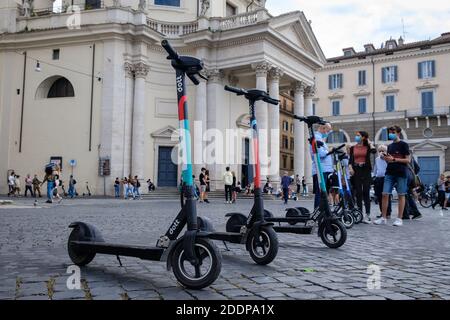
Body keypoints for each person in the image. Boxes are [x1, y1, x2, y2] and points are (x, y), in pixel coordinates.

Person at [374, 126, 411, 227]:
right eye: (390, 132)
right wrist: (385, 157)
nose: (391, 134)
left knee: (401, 195)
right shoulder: (390, 146)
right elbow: (389, 159)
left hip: (401, 173)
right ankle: (383, 218)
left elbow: (408, 160)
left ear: (398, 133)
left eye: (393, 132)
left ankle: (399, 218)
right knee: (385, 194)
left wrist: (394, 159)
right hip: (389, 172)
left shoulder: (404, 145)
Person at [349, 131, 377, 223]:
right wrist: (351, 168)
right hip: (356, 171)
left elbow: (374, 151)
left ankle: (367, 215)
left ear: (363, 137)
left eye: (358, 136)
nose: (356, 137)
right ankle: (360, 214)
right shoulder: (353, 148)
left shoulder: (368, 147)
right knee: (358, 193)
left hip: (366, 170)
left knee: (366, 192)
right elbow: (350, 160)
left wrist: (369, 142)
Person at [311, 122, 333, 209]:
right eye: (328, 131)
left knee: (323, 192)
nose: (327, 133)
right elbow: (320, 154)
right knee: (320, 192)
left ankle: (322, 210)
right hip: (321, 169)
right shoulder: (317, 138)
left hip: (324, 168)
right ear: (323, 128)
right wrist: (329, 151)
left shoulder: (320, 138)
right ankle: (318, 211)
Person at [373, 145, 392, 218]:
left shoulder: (387, 159)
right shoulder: (377, 159)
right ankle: (382, 212)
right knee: (379, 196)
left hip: (386, 177)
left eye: (383, 151)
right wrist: (374, 176)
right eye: (380, 151)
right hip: (378, 178)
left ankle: (388, 213)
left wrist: (385, 158)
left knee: (387, 195)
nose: (381, 152)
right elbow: (375, 168)